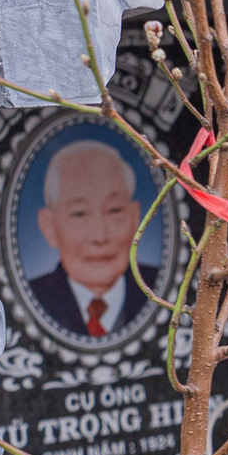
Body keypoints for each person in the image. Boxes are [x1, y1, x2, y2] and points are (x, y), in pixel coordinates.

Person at [28, 138, 150, 341]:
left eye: (114, 210)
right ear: (49, 226)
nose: (100, 236)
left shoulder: (159, 294)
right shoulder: (33, 300)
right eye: (79, 214)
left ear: (135, 218)